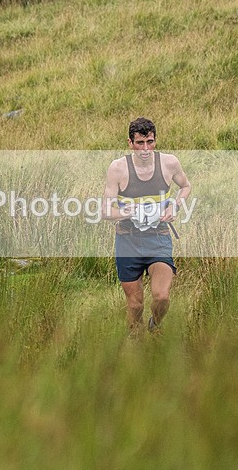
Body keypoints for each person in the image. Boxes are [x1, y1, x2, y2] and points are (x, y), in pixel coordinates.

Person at [103, 117, 191, 334]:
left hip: (158, 237)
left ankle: (155, 325)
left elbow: (186, 186)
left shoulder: (169, 163)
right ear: (130, 143)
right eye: (140, 143)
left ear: (155, 141)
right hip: (127, 240)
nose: (145, 149)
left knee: (161, 297)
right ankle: (136, 342)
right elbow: (105, 211)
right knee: (135, 305)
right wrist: (123, 213)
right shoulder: (117, 168)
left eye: (150, 142)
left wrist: (174, 207)